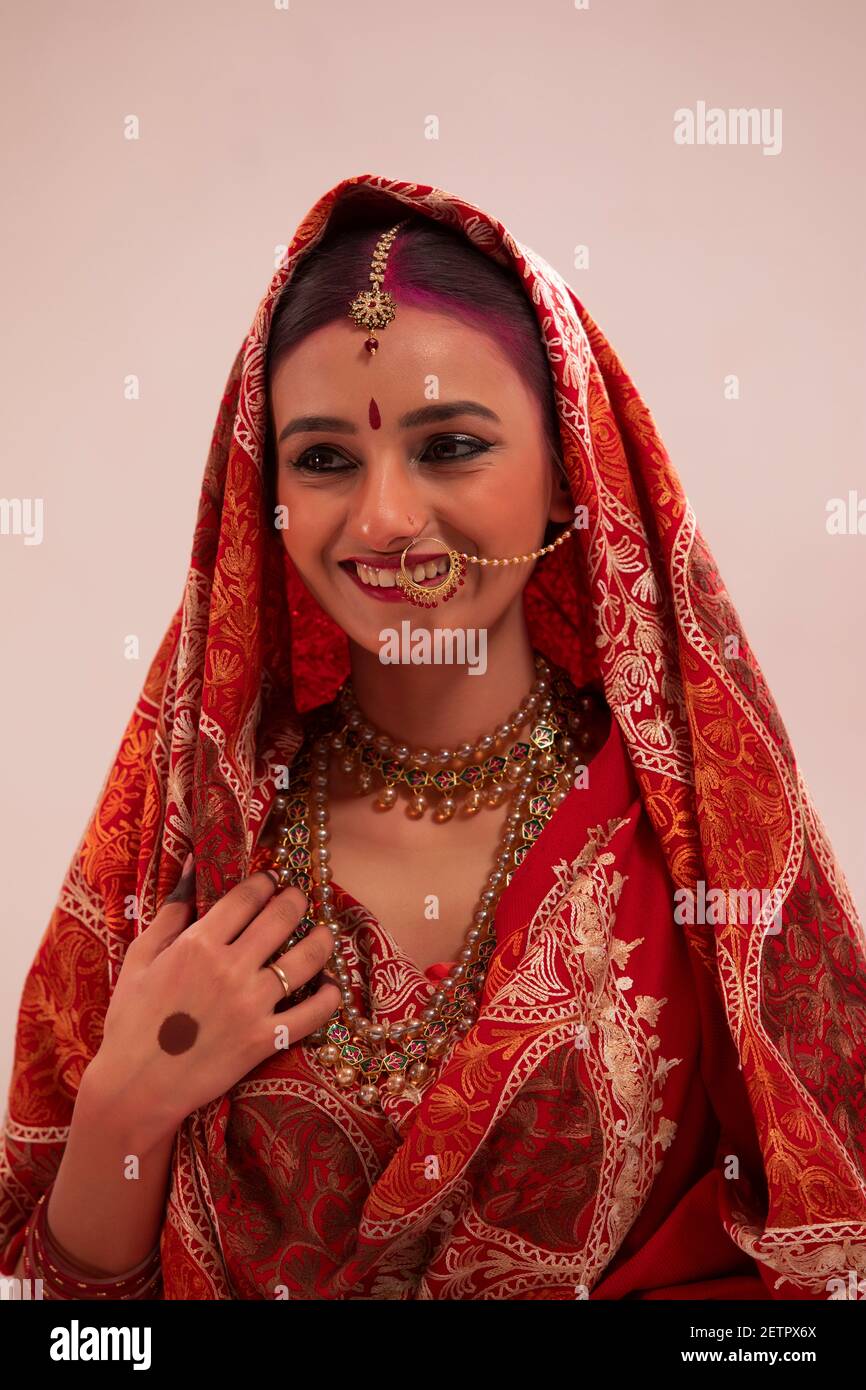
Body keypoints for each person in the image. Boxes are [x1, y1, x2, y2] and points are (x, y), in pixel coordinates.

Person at [1, 173, 864, 1301]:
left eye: (449, 445)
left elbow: (821, 1281)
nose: (383, 520)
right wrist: (130, 1095)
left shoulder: (695, 845)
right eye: (322, 460)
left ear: (569, 477)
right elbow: (78, 1335)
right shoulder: (202, 845)